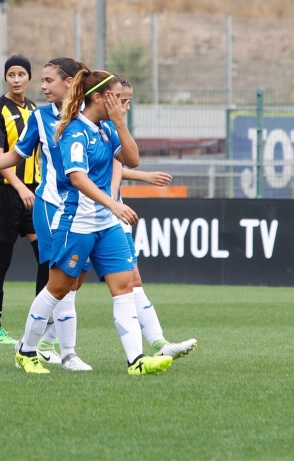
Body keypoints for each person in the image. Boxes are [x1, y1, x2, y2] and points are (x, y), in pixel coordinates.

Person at [11, 69, 173, 375]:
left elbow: (133, 160)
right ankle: (26, 349)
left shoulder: (108, 128)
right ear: (98, 97)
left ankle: (136, 361)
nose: (121, 104)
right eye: (116, 97)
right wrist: (113, 203)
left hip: (106, 224)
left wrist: (120, 123)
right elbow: (77, 177)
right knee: (58, 289)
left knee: (124, 286)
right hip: (77, 223)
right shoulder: (74, 131)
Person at [0, 58, 93, 371]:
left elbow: (120, 158)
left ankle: (38, 343)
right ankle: (26, 341)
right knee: (39, 270)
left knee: (70, 276)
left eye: (32, 76)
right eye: (12, 74)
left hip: (74, 206)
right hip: (29, 199)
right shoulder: (24, 114)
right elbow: (11, 155)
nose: (38, 85)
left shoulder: (86, 115)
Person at [111, 76, 197, 359]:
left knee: (133, 279)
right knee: (64, 286)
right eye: (124, 101)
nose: (127, 107)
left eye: (129, 101)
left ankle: (160, 344)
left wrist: (143, 176)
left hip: (113, 214)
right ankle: (37, 344)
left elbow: (116, 166)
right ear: (108, 97)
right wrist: (112, 200)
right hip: (89, 216)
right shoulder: (91, 127)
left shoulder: (112, 128)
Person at [0, 55, 45, 346]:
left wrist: (37, 187)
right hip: (5, 192)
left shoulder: (35, 109)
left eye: (21, 74)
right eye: (11, 74)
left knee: (46, 258)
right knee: (0, 262)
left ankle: (40, 326)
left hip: (34, 191)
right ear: (6, 78)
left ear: (29, 77)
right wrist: (19, 187)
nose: (16, 79)